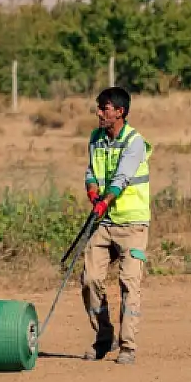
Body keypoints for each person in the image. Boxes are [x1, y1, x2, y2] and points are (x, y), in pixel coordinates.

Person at [81, 86, 153, 365]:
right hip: (104, 223)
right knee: (90, 280)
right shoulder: (96, 139)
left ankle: (127, 346)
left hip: (133, 224)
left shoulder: (134, 142)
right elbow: (91, 170)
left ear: (120, 112)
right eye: (99, 107)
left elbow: (122, 178)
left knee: (129, 284)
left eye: (105, 108)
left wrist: (105, 199)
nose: (99, 112)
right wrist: (90, 188)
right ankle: (104, 338)